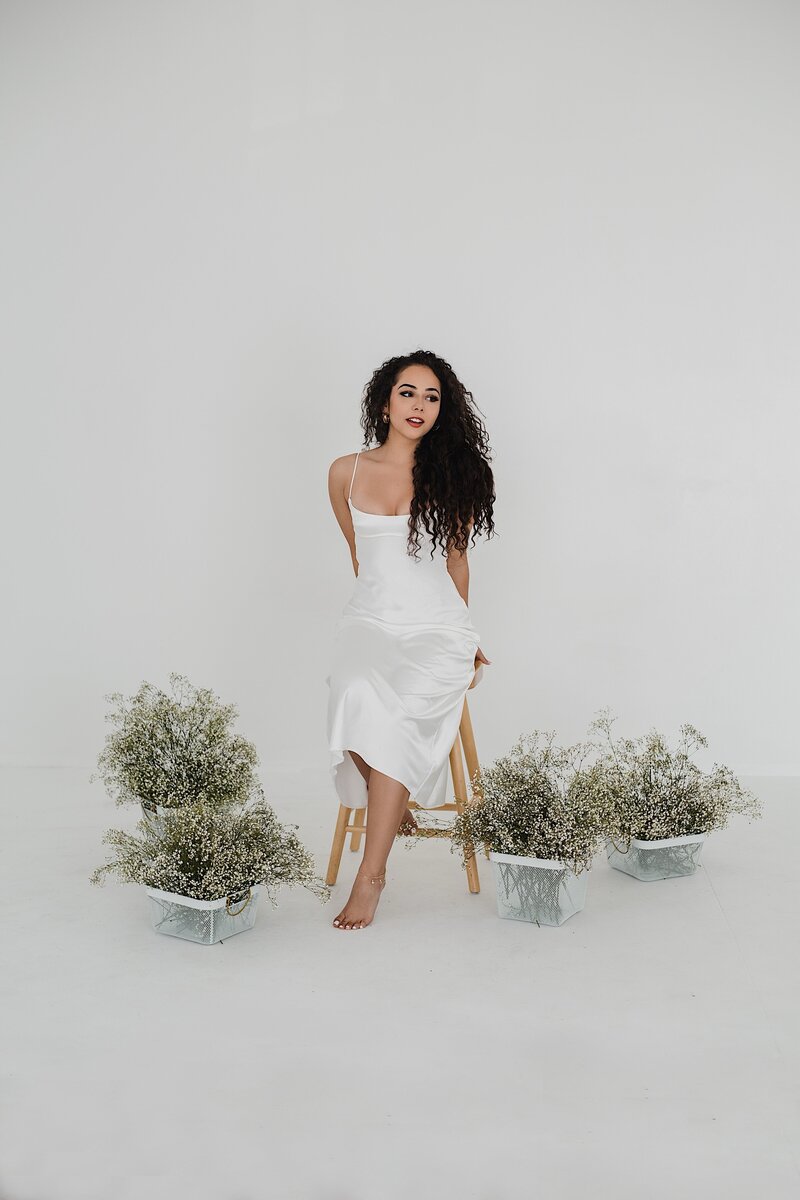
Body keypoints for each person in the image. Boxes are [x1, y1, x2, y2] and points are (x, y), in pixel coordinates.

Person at [324, 349, 495, 930]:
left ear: (443, 410)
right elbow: (359, 556)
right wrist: (374, 628)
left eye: (431, 397)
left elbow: (457, 565)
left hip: (437, 627)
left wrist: (464, 634)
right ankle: (390, 806)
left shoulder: (454, 476)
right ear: (384, 400)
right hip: (370, 618)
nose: (418, 405)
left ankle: (370, 876)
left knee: (391, 711)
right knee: (352, 688)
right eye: (407, 392)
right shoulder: (344, 472)